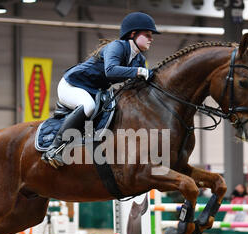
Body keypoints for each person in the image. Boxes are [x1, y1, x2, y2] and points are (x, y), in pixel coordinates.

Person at [42, 12, 160, 169]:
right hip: (72, 85)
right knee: (88, 106)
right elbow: (110, 70)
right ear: (133, 34)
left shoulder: (139, 59)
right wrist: (138, 72)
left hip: (95, 91)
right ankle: (54, 148)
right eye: (147, 34)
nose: (151, 38)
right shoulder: (117, 46)